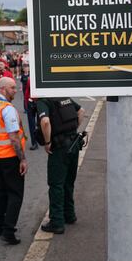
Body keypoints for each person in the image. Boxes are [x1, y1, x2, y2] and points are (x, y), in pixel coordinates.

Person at [0, 77, 27, 245]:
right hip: (9, 156)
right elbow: (14, 137)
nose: (15, 90)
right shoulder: (7, 108)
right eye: (12, 88)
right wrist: (22, 159)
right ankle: (9, 231)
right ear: (2, 89)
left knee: (0, 190)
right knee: (15, 193)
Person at [36, 97, 86, 234]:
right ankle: (69, 215)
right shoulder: (64, 97)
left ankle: (57, 222)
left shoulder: (43, 101)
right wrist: (72, 130)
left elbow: (45, 122)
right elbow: (81, 111)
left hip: (59, 148)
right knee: (68, 182)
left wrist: (47, 143)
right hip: (73, 144)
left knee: (56, 184)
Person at [21, 63, 39, 150]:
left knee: (41, 123)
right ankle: (34, 143)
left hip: (40, 103)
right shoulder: (29, 80)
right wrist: (26, 103)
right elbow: (27, 92)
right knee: (31, 124)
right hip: (31, 103)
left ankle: (43, 139)